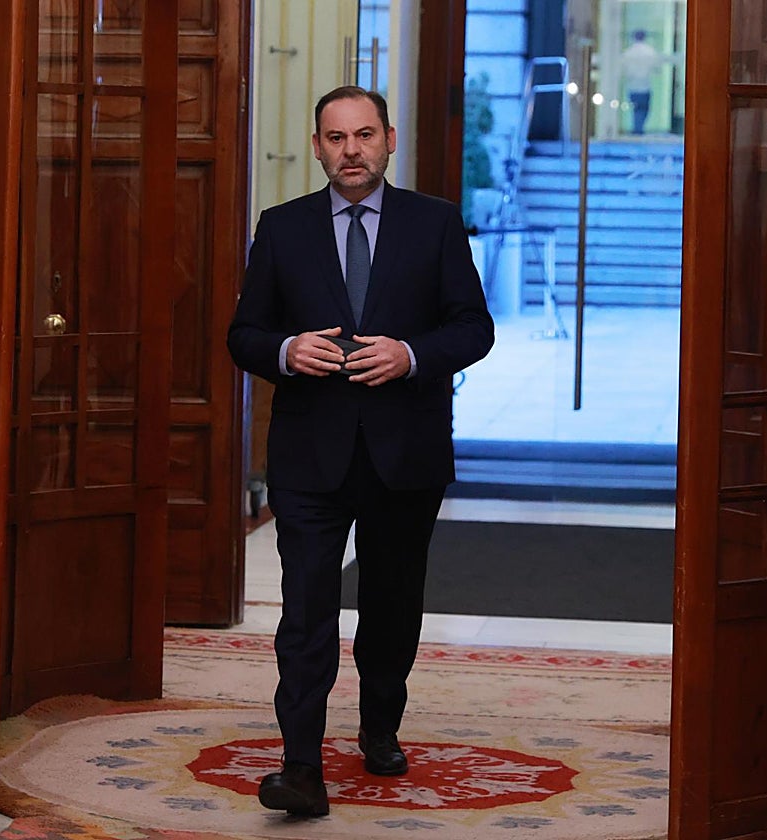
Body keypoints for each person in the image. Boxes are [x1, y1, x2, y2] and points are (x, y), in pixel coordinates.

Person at [226, 86, 494, 817]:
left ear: (390, 140)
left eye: (364, 134)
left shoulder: (434, 224)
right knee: (306, 612)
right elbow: (243, 333)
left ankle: (380, 727)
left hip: (405, 453)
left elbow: (474, 327)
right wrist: (285, 349)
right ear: (318, 147)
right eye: (336, 137)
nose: (351, 149)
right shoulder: (281, 229)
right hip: (311, 456)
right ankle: (301, 767)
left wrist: (410, 355)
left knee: (390, 606)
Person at [621, 29, 663, 135]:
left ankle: (637, 129)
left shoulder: (628, 52)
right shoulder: (650, 51)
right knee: (643, 109)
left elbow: (623, 70)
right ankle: (638, 129)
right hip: (645, 86)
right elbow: (657, 69)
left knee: (636, 109)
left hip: (632, 86)